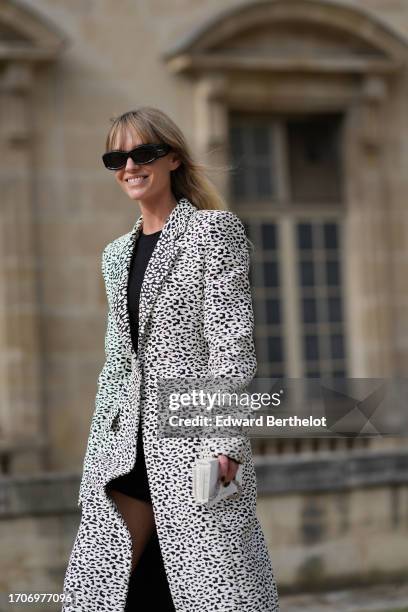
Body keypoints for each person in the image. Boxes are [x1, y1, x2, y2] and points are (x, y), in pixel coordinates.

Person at [62, 106, 279, 612]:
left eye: (143, 153)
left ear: (173, 158)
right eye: (116, 157)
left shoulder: (213, 233)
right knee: (104, 592)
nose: (129, 166)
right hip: (122, 451)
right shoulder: (115, 255)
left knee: (209, 590)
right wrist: (97, 453)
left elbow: (231, 344)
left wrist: (223, 442)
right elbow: (118, 361)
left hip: (190, 445)